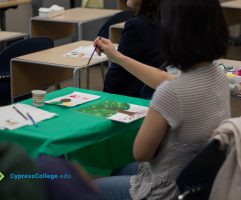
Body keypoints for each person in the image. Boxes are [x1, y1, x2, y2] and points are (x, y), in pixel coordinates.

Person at [93, 0, 231, 199]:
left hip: (167, 190)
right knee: (119, 172)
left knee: (84, 190)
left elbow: (141, 153)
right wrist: (117, 57)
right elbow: (171, 81)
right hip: (200, 180)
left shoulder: (170, 93)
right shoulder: (218, 75)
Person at [103, 0, 166, 98]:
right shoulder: (169, 19)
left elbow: (118, 73)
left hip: (132, 97)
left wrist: (104, 97)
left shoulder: (136, 25)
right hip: (158, 93)